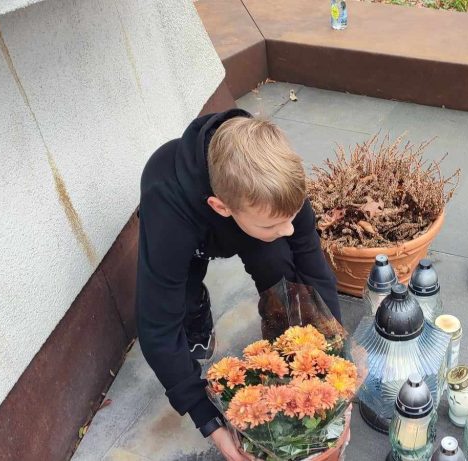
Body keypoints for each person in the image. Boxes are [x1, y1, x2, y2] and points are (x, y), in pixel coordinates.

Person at [136, 109, 342, 460]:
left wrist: (331, 355)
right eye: (275, 224)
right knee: (179, 302)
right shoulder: (167, 208)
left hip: (246, 221)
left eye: (292, 217)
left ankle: (286, 351)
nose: (289, 229)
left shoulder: (276, 181)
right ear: (221, 207)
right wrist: (210, 422)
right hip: (187, 228)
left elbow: (312, 265)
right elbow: (156, 328)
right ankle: (196, 307)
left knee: (280, 265)